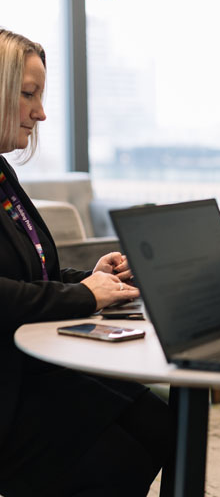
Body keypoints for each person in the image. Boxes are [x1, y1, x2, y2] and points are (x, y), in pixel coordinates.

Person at [0, 28, 173, 496]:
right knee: (117, 460)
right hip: (10, 388)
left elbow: (32, 274)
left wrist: (94, 279)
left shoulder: (3, 175)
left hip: (31, 367)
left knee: (163, 422)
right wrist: (81, 295)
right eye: (28, 94)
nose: (41, 112)